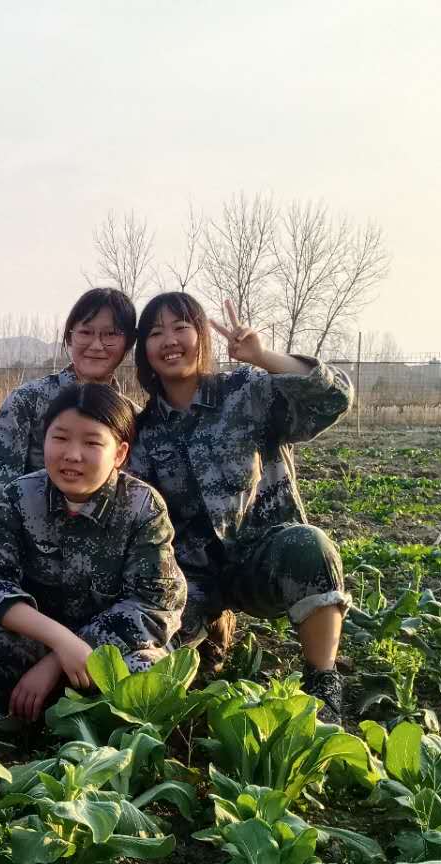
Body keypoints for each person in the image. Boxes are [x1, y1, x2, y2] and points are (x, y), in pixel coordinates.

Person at [126, 292, 354, 720]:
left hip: (261, 559)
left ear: (202, 337)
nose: (169, 340)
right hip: (190, 579)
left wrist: (264, 356)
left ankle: (324, 681)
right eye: (155, 333)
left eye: (181, 328)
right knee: (143, 671)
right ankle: (211, 634)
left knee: (310, 547)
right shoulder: (143, 432)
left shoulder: (246, 392)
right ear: (144, 351)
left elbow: (334, 398)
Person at [0, 383, 186, 724]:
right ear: (45, 439)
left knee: (147, 672)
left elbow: (154, 606)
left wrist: (63, 658)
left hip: (109, 648)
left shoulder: (143, 507)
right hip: (38, 639)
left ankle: (80, 723)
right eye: (61, 438)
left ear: (120, 453)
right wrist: (59, 642)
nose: (72, 454)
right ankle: (43, 717)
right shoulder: (18, 497)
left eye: (92, 442)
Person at [0, 287, 137, 529]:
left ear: (128, 344)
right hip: (28, 549)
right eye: (85, 332)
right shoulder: (27, 401)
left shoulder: (132, 416)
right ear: (69, 337)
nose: (96, 345)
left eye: (110, 334)